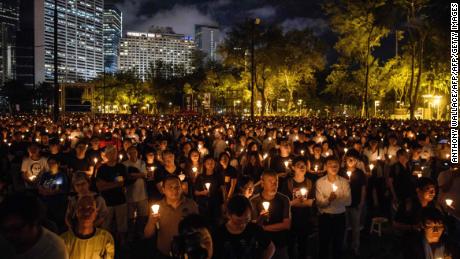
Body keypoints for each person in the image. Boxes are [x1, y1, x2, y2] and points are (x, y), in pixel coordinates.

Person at [0, 193, 69, 259]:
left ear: (34, 222)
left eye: (17, 228)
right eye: (5, 229)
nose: (9, 235)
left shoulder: (54, 250)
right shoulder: (4, 239)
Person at [144, 175, 199, 257]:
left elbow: (199, 229)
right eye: (170, 187)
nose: (174, 190)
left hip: (186, 252)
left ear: (181, 188)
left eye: (177, 187)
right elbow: (147, 234)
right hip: (164, 252)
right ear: (163, 190)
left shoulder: (191, 204)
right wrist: (152, 222)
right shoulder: (158, 207)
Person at [213, 195, 275, 259]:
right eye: (239, 220)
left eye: (247, 219)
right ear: (229, 215)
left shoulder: (254, 228)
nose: (243, 223)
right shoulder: (219, 233)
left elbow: (270, 247)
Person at [315, 156, 351, 259]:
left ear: (339, 167)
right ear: (326, 167)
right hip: (325, 217)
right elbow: (319, 203)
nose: (333, 167)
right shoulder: (320, 182)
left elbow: (348, 201)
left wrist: (336, 198)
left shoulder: (344, 182)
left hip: (340, 217)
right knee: (323, 245)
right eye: (330, 165)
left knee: (338, 245)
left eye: (336, 165)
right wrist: (329, 200)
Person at [250, 170, 291, 259]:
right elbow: (253, 228)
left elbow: (286, 225)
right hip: (262, 245)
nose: (274, 184)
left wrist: (264, 228)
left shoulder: (284, 199)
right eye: (270, 181)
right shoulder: (254, 201)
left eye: (276, 181)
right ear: (262, 183)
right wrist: (261, 218)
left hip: (280, 243)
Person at [280, 156, 315, 259]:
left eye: (303, 166)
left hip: (305, 218)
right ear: (293, 168)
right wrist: (295, 202)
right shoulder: (288, 183)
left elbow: (312, 201)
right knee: (290, 243)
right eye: (299, 166)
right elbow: (285, 203)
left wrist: (297, 203)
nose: (302, 167)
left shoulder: (309, 182)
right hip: (291, 218)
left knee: (303, 243)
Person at [95, 145, 128, 244]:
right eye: (110, 153)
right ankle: (106, 242)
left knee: (122, 224)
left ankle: (122, 242)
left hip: (120, 200)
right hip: (107, 201)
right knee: (106, 224)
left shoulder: (121, 167)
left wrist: (108, 184)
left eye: (114, 152)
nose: (113, 154)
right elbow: (100, 186)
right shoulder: (102, 169)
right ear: (106, 155)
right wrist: (116, 184)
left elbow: (123, 183)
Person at [340, 150, 367, 256]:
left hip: (355, 203)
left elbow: (363, 189)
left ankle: (355, 247)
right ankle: (343, 246)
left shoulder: (360, 173)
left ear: (356, 161)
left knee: (356, 227)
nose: (351, 161)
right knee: (344, 226)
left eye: (353, 159)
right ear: (345, 159)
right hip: (343, 204)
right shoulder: (341, 172)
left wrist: (361, 202)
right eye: (349, 159)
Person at [123, 146, 149, 240]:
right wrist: (139, 175)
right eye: (130, 153)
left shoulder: (142, 163)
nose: (133, 154)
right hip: (129, 195)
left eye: (135, 152)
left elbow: (145, 174)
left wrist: (132, 175)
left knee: (142, 215)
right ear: (127, 154)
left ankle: (140, 231)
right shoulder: (124, 164)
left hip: (142, 194)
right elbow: (126, 177)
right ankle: (131, 233)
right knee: (130, 217)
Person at [37, 157, 69, 233]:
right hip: (45, 203)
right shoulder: (45, 175)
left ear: (58, 164)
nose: (51, 165)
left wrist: (50, 192)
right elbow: (40, 187)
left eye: (53, 163)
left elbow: (63, 189)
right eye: (49, 163)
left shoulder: (62, 175)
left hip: (58, 204)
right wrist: (44, 191)